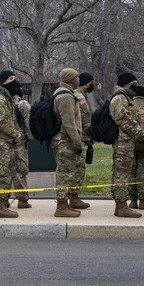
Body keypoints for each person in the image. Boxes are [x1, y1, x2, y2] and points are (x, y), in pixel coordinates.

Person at [109, 72, 144, 218]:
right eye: (134, 83)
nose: (136, 85)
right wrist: (141, 134)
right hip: (122, 142)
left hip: (126, 142)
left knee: (122, 172)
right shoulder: (120, 98)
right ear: (126, 84)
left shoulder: (126, 97)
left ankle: (120, 206)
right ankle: (122, 206)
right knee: (122, 174)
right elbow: (123, 120)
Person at [0, 71, 23, 218]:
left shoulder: (7, 98)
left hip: (7, 143)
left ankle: (4, 202)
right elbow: (2, 121)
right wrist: (16, 134)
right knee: (1, 174)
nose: (14, 82)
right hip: (1, 143)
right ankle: (0, 206)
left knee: (7, 173)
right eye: (11, 79)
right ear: (3, 82)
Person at [51, 68, 85, 218]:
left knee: (67, 172)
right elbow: (69, 123)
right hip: (65, 141)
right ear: (71, 79)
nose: (79, 80)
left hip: (65, 139)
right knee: (64, 173)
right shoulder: (65, 96)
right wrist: (78, 142)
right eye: (77, 77)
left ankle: (66, 204)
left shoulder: (66, 93)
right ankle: (61, 207)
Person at [71, 72, 95, 210]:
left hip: (80, 137)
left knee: (78, 168)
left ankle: (74, 197)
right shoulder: (79, 97)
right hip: (77, 138)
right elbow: (84, 120)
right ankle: (73, 198)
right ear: (87, 83)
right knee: (77, 169)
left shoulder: (81, 96)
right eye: (91, 82)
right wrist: (89, 136)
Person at [12, 80, 33, 209]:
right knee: (20, 170)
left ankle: (4, 200)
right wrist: (29, 137)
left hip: (3, 143)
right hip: (19, 140)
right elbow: (27, 123)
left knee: (5, 172)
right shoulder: (22, 104)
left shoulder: (1, 101)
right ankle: (22, 200)